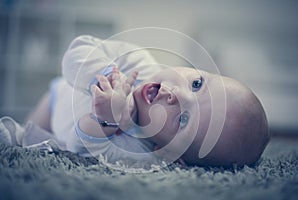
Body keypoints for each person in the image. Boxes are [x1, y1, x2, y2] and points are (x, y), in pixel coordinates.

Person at [0, 35, 269, 168]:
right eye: (196, 84)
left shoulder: (139, 154)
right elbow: (76, 51)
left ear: (172, 157)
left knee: (25, 145)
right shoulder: (138, 62)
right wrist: (107, 77)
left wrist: (107, 120)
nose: (176, 95)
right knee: (21, 140)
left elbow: (78, 147)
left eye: (183, 119)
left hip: (63, 128)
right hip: (56, 98)